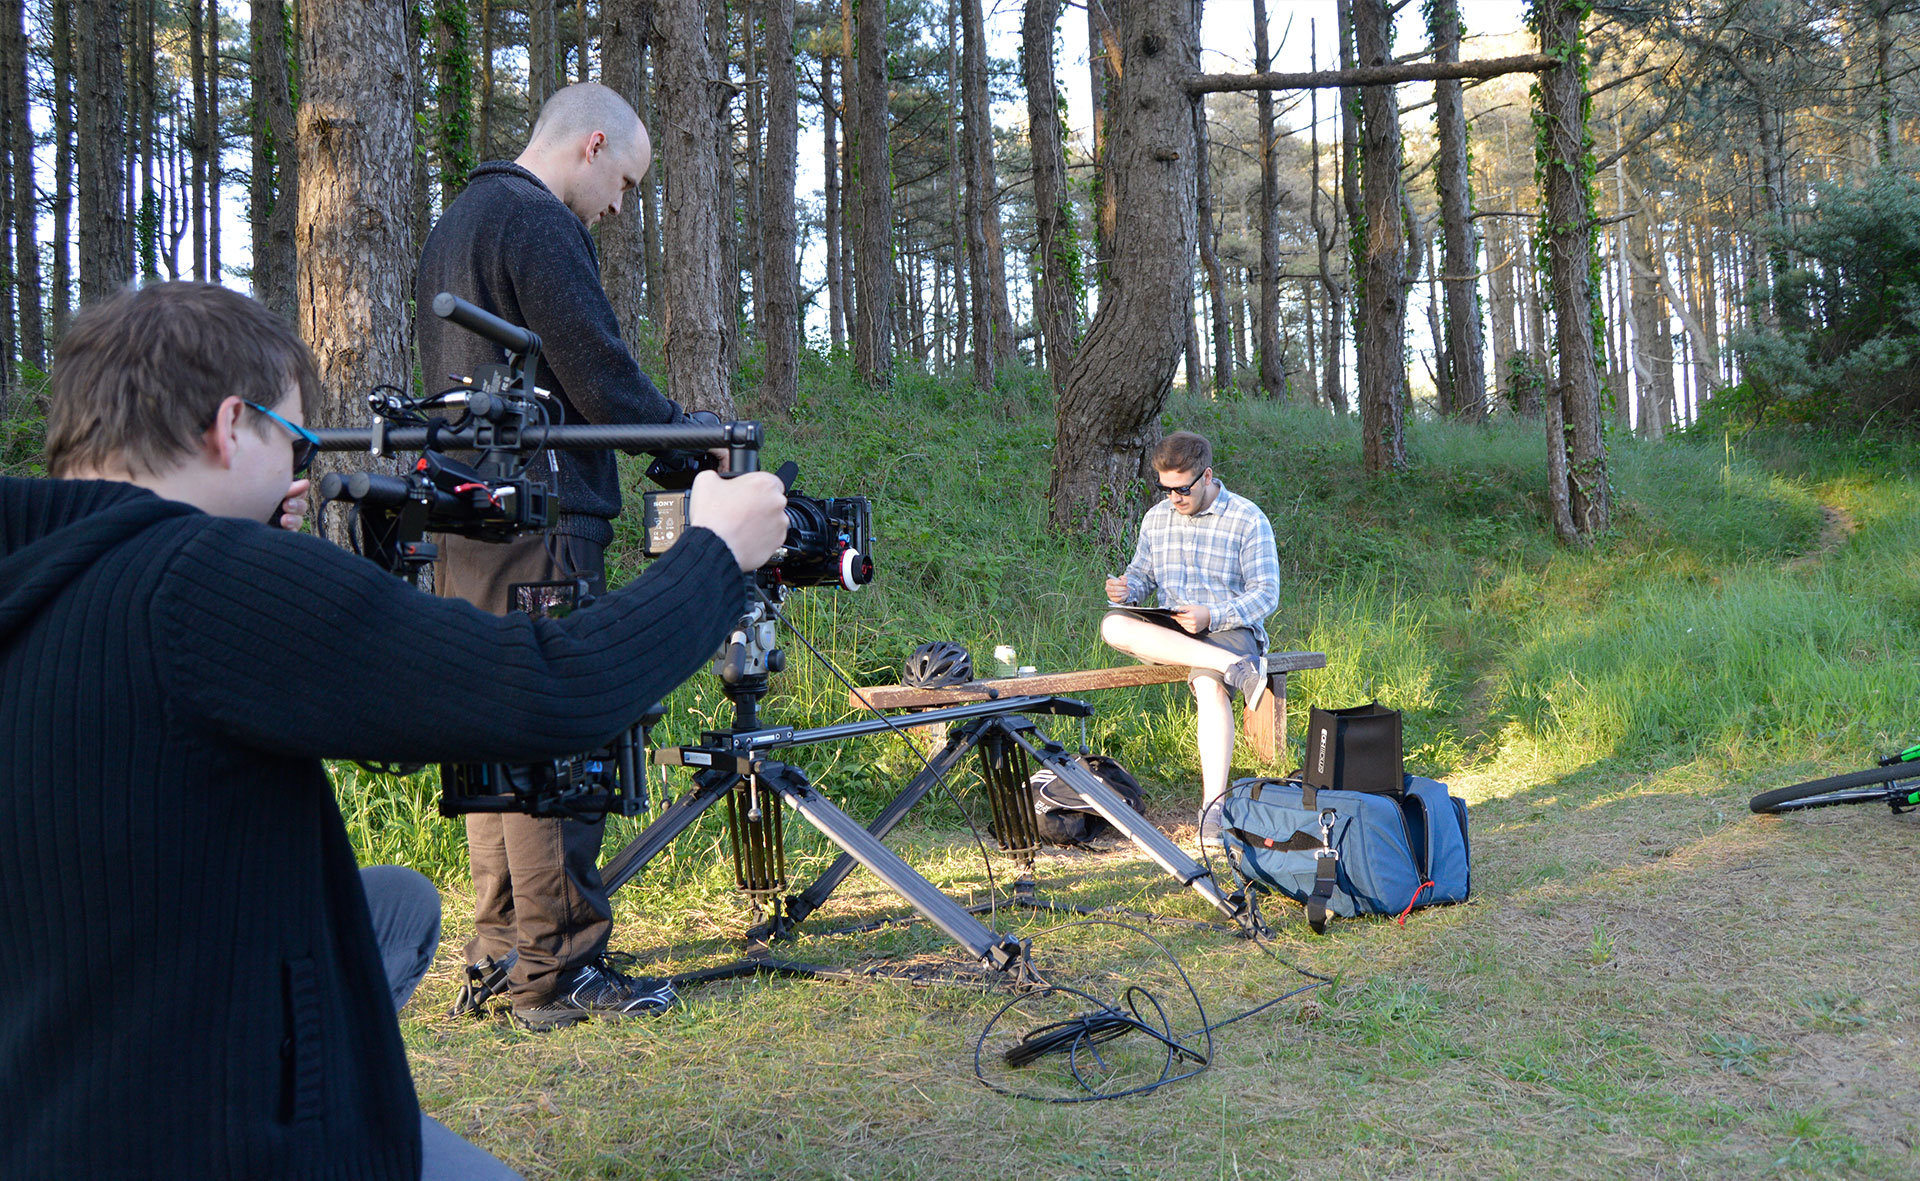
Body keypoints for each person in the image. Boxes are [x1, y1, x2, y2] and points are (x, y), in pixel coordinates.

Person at [0, 281, 789, 1178]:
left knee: (399, 905)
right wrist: (715, 554)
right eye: (295, 443)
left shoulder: (37, 568)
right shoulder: (201, 582)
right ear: (230, 426)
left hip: (52, 1080)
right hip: (193, 1132)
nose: (299, 474)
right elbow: (547, 688)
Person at [415, 82, 698, 1030]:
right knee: (555, 729)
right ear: (594, 144)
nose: (620, 207)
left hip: (465, 519)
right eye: (626, 183)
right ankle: (563, 964)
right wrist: (686, 440)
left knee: (493, 729)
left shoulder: (457, 220)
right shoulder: (536, 221)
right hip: (539, 519)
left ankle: (502, 951)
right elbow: (596, 369)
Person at [1101, 431, 1281, 819]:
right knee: (1112, 625)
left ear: (1207, 475)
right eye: (1166, 489)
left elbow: (1266, 595)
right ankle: (1234, 668)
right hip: (1173, 630)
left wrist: (1211, 615)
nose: (1174, 498)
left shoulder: (1247, 518)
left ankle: (1213, 809)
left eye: (1182, 488)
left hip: (1229, 629)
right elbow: (1142, 577)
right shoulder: (1156, 518)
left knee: (1208, 685)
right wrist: (1126, 589)